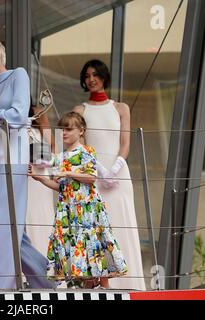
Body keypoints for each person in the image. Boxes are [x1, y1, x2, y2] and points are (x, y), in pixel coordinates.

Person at [0, 38, 55, 289]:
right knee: (1, 218)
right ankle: (45, 278)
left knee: (5, 216)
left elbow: (19, 113)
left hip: (14, 152)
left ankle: (2, 286)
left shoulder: (19, 75)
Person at [30, 111, 128, 289]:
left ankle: (104, 287)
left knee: (93, 245)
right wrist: (42, 179)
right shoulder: (60, 157)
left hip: (87, 209)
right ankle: (85, 285)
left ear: (81, 131)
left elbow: (91, 177)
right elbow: (61, 187)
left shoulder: (86, 151)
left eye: (68, 129)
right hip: (68, 210)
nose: (64, 133)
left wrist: (67, 173)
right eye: (62, 129)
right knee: (75, 247)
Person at [73, 59, 146, 290]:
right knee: (98, 228)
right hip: (94, 176)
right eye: (87, 76)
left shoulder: (121, 108)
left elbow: (125, 143)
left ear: (104, 76)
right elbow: (81, 146)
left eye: (95, 74)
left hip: (119, 175)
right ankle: (103, 282)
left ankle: (130, 282)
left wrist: (114, 168)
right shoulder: (80, 111)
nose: (91, 79)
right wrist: (100, 170)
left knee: (122, 223)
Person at [26, 102, 55, 255]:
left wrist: (49, 160)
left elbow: (52, 144)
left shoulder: (38, 113)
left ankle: (48, 258)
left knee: (43, 214)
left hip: (40, 174)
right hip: (21, 175)